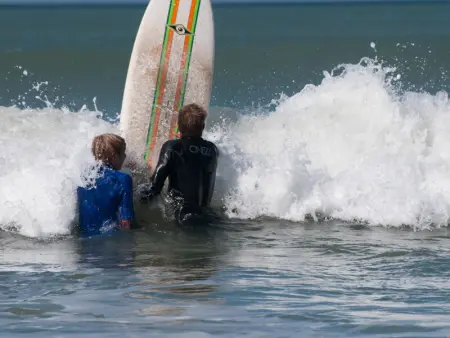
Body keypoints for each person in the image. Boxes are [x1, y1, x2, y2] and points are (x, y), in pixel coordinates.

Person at [138, 103, 219, 226]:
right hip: (207, 215)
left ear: (179, 126)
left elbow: (155, 187)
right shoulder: (213, 149)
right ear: (202, 126)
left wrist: (137, 197)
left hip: (183, 216)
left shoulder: (172, 147)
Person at [77, 133, 136, 236]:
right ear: (114, 156)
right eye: (123, 152)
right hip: (110, 241)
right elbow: (125, 222)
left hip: (85, 243)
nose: (125, 156)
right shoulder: (123, 179)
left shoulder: (82, 176)